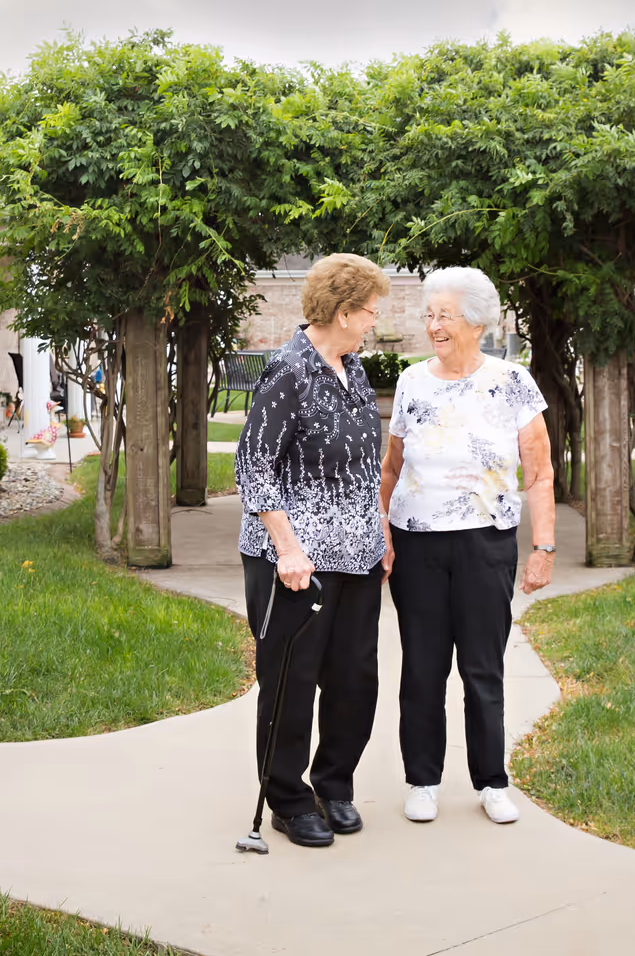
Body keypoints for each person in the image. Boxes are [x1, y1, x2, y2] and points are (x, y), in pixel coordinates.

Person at [381, 266, 554, 826]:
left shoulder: (512, 382)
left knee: (483, 667)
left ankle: (491, 781)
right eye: (429, 315)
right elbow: (392, 465)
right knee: (423, 668)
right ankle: (423, 780)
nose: (434, 325)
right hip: (418, 545)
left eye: (445, 316)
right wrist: (380, 526)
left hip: (486, 545)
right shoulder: (411, 381)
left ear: (476, 322)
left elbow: (541, 472)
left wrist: (543, 547)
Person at [236, 253, 392, 848]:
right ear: (344, 311)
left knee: (355, 677)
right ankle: (288, 798)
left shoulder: (352, 369)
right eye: (370, 310)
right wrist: (288, 547)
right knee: (291, 679)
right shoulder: (288, 370)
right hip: (295, 558)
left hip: (355, 552)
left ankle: (334, 784)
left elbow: (360, 467)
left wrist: (378, 535)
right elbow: (253, 466)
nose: (374, 320)